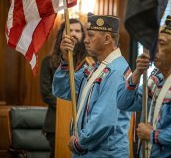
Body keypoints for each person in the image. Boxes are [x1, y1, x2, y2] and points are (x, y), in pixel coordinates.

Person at [52, 14, 131, 158]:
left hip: (104, 153)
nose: (85, 40)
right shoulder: (94, 67)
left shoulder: (116, 71)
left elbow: (104, 120)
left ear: (107, 39)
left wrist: (79, 143)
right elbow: (63, 89)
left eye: (91, 36)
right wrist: (64, 58)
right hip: (88, 151)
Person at [117, 16, 171, 158]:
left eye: (161, 43)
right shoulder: (156, 79)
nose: (154, 49)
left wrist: (153, 135)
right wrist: (137, 73)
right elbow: (123, 103)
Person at [40, 18, 89, 158]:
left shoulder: (90, 62)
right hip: (55, 123)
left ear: (83, 35)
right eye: (69, 30)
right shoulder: (48, 62)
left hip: (84, 125)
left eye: (77, 31)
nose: (73, 34)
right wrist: (68, 105)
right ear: (62, 35)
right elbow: (46, 93)